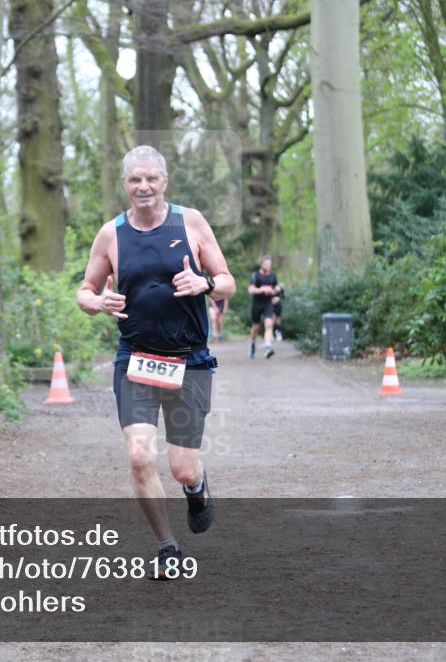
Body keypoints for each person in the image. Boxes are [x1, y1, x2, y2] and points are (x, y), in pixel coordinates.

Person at [76, 145, 236, 579]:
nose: (143, 186)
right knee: (139, 455)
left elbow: (228, 282)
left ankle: (196, 487)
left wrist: (204, 283)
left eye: (151, 178)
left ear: (165, 180)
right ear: (125, 184)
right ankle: (167, 548)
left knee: (182, 467)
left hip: (190, 360)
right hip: (136, 358)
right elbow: (85, 290)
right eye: (135, 179)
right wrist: (97, 302)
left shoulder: (191, 222)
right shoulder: (111, 234)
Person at [248, 255, 280, 358]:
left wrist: (276, 290)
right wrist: (262, 289)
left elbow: (276, 287)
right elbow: (251, 290)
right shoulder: (255, 275)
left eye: (269, 264)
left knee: (269, 323)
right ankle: (252, 344)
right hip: (257, 304)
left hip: (268, 303)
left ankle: (268, 347)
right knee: (255, 327)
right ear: (261, 264)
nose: (268, 266)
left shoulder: (273, 275)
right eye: (266, 264)